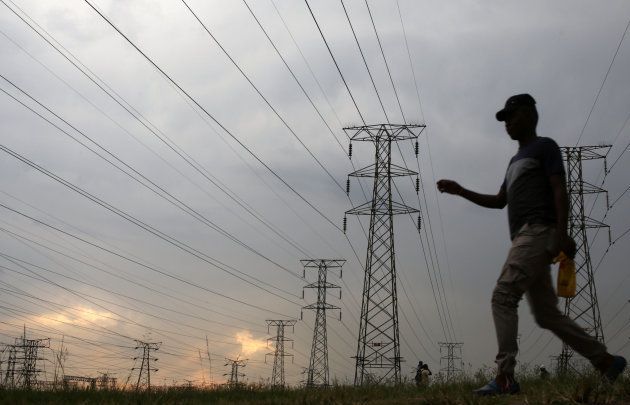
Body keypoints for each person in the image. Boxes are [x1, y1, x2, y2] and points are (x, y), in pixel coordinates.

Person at [436, 94, 627, 395]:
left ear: (529, 115)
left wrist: (561, 232)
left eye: (512, 116)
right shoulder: (514, 162)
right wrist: (461, 191)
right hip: (526, 237)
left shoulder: (545, 147)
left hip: (537, 232)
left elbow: (559, 190)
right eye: (504, 120)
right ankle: (605, 361)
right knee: (546, 315)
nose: (508, 124)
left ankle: (504, 377)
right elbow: (500, 202)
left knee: (503, 295)